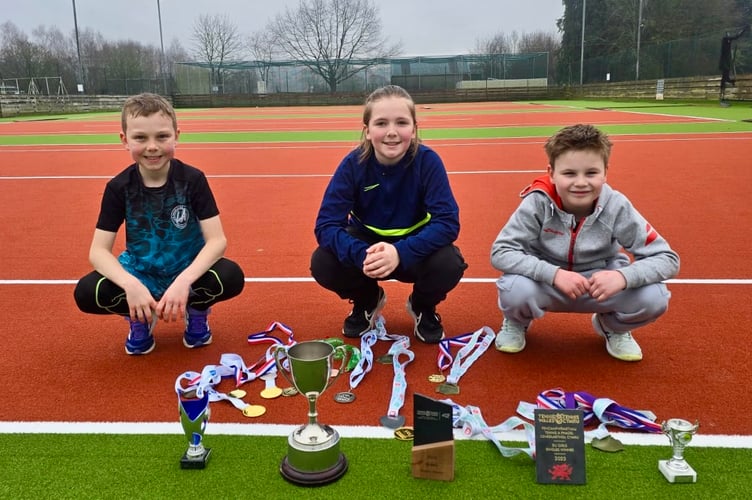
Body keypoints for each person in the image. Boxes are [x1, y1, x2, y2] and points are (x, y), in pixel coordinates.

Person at [490, 124, 679, 362]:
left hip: (598, 287)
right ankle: (516, 322)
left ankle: (613, 326)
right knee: (515, 289)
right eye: (569, 173)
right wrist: (553, 274)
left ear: (605, 171)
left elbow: (667, 259)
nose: (580, 182)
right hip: (548, 284)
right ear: (551, 173)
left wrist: (622, 277)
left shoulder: (616, 205)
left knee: (654, 297)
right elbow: (501, 252)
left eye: (591, 173)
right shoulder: (537, 203)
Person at [74, 93, 245, 355]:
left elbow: (217, 240)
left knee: (230, 276)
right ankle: (139, 317)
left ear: (176, 135)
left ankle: (196, 310)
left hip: (186, 270)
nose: (152, 146)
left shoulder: (193, 180)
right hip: (141, 272)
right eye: (140, 138)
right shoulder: (118, 187)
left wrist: (183, 282)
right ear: (124, 140)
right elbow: (98, 251)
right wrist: (131, 285)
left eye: (162, 137)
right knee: (87, 292)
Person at [310, 85, 467, 344]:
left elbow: (447, 222)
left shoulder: (428, 162)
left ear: (414, 129)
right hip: (366, 251)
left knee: (449, 262)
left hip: (415, 250)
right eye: (381, 123)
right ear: (367, 131)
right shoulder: (353, 165)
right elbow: (326, 225)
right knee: (323, 262)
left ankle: (422, 305)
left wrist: (400, 252)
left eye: (401, 123)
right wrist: (362, 254)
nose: (392, 132)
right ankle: (367, 300)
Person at [719, 25, 750, 100]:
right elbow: (736, 36)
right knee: (725, 78)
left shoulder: (727, 42)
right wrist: (743, 30)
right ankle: (722, 93)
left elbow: (735, 38)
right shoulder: (725, 39)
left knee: (725, 78)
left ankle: (722, 93)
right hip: (724, 63)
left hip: (726, 63)